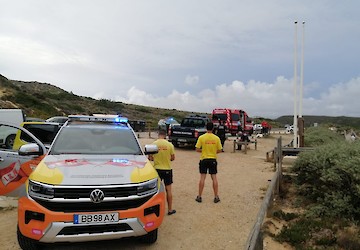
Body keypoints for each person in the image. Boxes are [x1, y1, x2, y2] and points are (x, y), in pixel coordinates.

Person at [148, 129, 176, 215]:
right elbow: (172, 158)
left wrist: (155, 159)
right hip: (167, 169)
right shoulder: (170, 145)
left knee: (156, 190)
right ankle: (170, 209)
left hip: (157, 169)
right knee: (169, 190)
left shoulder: (153, 144)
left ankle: (155, 210)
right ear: (165, 135)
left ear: (158, 135)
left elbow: (150, 158)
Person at [195, 122, 222, 203]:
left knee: (202, 178)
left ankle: (199, 196)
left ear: (206, 128)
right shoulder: (216, 138)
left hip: (204, 159)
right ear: (213, 128)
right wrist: (213, 152)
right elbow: (220, 150)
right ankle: (216, 196)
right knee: (214, 178)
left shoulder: (202, 137)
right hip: (213, 159)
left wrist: (204, 151)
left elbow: (197, 149)